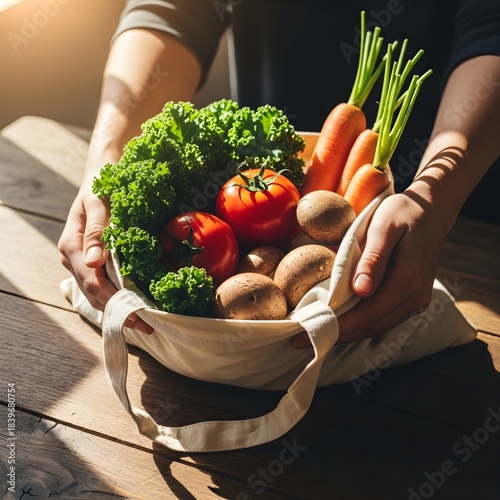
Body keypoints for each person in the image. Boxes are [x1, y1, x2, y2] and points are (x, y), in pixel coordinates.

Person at [58, 0, 500, 344]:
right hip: (261, 168)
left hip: (455, 210)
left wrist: (434, 199)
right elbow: (171, 10)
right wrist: (108, 158)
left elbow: (491, 29)